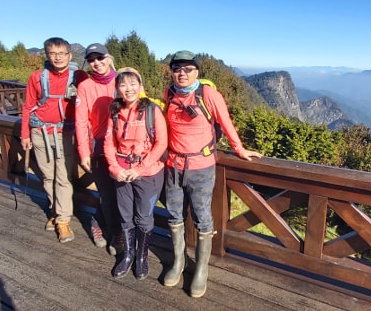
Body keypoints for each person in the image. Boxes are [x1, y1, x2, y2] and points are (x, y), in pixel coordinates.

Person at [162, 50, 262, 298]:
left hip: (202, 167)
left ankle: (201, 269)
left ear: (197, 71)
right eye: (177, 68)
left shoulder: (207, 94)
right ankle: (179, 262)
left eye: (187, 69)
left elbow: (225, 122)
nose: (182, 73)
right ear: (171, 71)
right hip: (173, 164)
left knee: (202, 217)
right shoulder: (169, 92)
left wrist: (239, 149)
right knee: (174, 214)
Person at [103, 67, 167, 280]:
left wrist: (138, 169)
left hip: (148, 172)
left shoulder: (151, 110)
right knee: (125, 215)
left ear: (141, 87)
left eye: (133, 84)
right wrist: (114, 168)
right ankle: (128, 255)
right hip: (121, 171)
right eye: (123, 84)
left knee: (143, 217)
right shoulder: (114, 111)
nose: (128, 89)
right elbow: (109, 142)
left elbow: (161, 143)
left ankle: (142, 257)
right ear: (117, 88)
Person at [21, 37, 85, 243]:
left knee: (63, 179)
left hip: (65, 134)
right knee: (47, 177)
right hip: (40, 132)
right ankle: (56, 212)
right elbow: (28, 106)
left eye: (61, 53)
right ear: (47, 55)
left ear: (69, 55)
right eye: (53, 53)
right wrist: (24, 134)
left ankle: (63, 220)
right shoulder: (37, 77)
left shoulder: (79, 76)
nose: (57, 57)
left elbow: (97, 91)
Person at [75, 43, 122, 254]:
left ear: (109, 58)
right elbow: (80, 120)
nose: (96, 63)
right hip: (99, 145)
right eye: (92, 60)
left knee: (120, 192)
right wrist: (84, 152)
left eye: (100, 58)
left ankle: (96, 221)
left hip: (124, 145)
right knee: (107, 191)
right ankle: (115, 235)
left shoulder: (122, 80)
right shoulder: (85, 86)